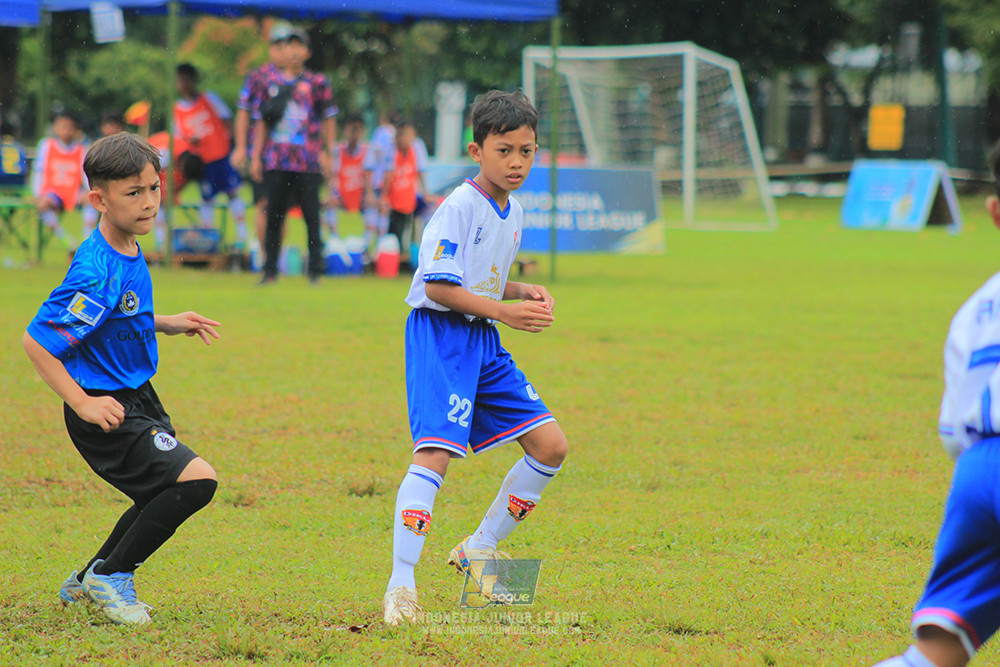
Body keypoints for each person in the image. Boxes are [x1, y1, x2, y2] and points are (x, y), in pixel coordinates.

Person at [382, 90, 569, 625]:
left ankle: (478, 549)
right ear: (476, 149)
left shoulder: (514, 210)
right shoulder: (457, 207)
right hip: (441, 335)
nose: (516, 163)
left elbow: (478, 276)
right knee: (435, 455)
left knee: (550, 446)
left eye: (527, 152)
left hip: (483, 339)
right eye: (505, 150)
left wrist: (518, 289)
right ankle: (401, 586)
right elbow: (439, 286)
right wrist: (507, 313)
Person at [22, 132, 220, 625]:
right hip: (103, 404)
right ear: (99, 199)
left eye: (154, 188)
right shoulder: (96, 269)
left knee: (161, 490)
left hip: (136, 395)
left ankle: (88, 577)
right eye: (134, 193)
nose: (150, 202)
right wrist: (83, 403)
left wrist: (166, 321)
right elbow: (38, 343)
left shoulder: (127, 243)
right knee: (197, 481)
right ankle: (113, 577)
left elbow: (116, 315)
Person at [873, 142, 1000, 667]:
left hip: (978, 472)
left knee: (938, 647)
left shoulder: (975, 307)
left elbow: (953, 427)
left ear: (995, 212)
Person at [250, 25, 337, 284]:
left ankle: (315, 271)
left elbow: (329, 118)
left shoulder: (317, 83)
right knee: (274, 216)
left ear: (308, 52)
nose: (294, 51)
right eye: (289, 45)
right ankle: (270, 271)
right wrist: (256, 156)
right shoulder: (270, 83)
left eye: (299, 45)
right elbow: (262, 122)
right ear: (282, 51)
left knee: (312, 216)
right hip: (277, 160)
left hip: (308, 162)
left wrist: (329, 152)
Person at [233, 22, 290, 262]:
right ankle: (266, 258)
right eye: (277, 45)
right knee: (263, 204)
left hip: (291, 155)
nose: (281, 51)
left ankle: (276, 259)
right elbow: (244, 112)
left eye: (286, 45)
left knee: (282, 208)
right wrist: (240, 147)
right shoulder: (258, 77)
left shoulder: (300, 78)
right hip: (262, 154)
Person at [174, 63, 247, 246]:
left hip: (222, 155)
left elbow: (227, 120)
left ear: (194, 80)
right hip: (203, 162)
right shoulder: (177, 109)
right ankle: (209, 239)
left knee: (233, 193)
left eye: (186, 79)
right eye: (180, 80)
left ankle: (242, 237)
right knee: (207, 197)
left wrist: (237, 146)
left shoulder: (209, 99)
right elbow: (179, 138)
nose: (183, 84)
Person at [31, 108, 89, 249]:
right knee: (42, 205)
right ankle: (67, 241)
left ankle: (87, 243)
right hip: (53, 192)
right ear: (56, 128)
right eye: (63, 127)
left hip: (74, 191)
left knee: (93, 201)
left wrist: (89, 191)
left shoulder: (82, 149)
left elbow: (85, 174)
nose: (67, 131)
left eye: (70, 128)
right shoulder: (46, 146)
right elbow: (39, 170)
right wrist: (37, 193)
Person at [379, 120, 427, 270]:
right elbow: (388, 177)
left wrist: (425, 193)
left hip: (409, 202)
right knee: (394, 235)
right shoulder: (393, 153)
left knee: (409, 235)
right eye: (400, 136)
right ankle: (393, 265)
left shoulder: (414, 152)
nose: (402, 139)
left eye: (406, 135)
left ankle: (406, 264)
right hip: (395, 202)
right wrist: (384, 198)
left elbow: (419, 174)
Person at [325, 113, 367, 237]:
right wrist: (330, 194)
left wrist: (370, 195)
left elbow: (370, 176)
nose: (354, 133)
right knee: (329, 205)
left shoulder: (368, 150)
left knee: (376, 207)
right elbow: (332, 175)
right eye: (351, 129)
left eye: (358, 129)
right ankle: (333, 241)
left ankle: (368, 248)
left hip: (360, 195)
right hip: (342, 195)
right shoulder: (337, 150)